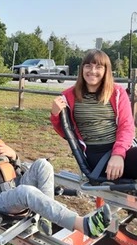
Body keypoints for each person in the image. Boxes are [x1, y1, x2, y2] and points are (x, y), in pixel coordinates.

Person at [0, 98, 112, 238]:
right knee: (27, 192)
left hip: (13, 186)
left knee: (43, 164)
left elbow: (15, 168)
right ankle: (83, 225)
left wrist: (14, 155)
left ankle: (45, 219)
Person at [51, 49, 137, 181]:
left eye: (98, 67)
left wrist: (118, 154)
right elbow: (65, 132)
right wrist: (55, 114)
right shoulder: (69, 96)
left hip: (121, 150)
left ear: (106, 71)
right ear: (82, 69)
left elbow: (126, 126)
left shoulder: (117, 92)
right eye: (88, 66)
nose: (92, 71)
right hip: (96, 157)